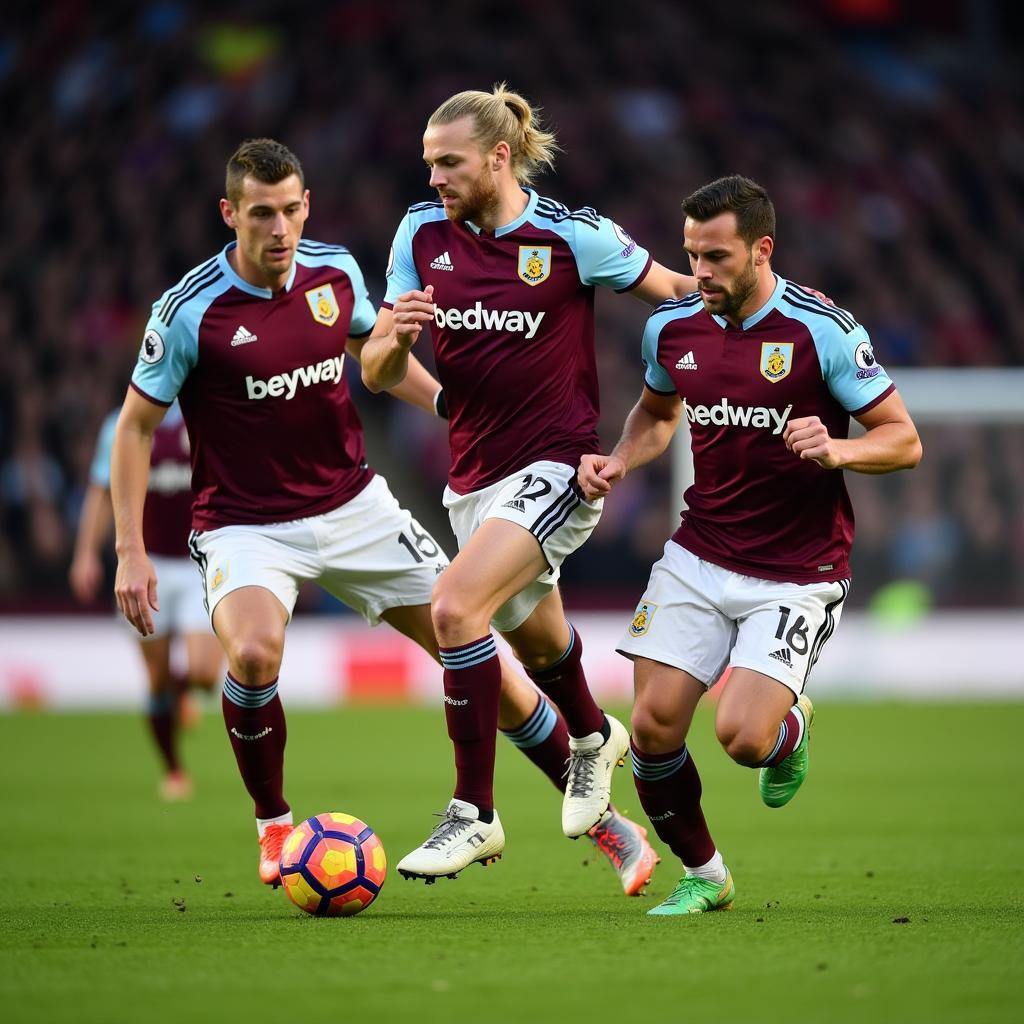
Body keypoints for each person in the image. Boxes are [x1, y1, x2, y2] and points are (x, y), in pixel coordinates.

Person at [111, 137, 653, 897]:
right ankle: (273, 821)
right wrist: (129, 549)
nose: (279, 229)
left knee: (487, 662)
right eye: (261, 213)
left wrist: (442, 403)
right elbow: (136, 426)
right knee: (257, 653)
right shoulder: (190, 309)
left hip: (356, 506)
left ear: (307, 209)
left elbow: (378, 354)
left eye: (291, 210)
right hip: (245, 525)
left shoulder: (334, 273)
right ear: (229, 213)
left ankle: (605, 823)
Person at [360, 84, 703, 883]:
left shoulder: (570, 235)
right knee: (538, 641)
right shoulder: (420, 232)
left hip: (558, 466)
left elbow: (675, 292)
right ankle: (591, 735)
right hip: (472, 477)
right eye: (428, 164)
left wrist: (759, 305)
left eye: (450, 163)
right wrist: (392, 338)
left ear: (499, 157)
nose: (435, 178)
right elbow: (376, 370)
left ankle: (472, 813)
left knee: (454, 607)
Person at [577, 174, 922, 915]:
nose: (700, 272)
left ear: (762, 250)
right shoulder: (672, 327)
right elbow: (656, 414)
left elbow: (904, 440)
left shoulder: (820, 330)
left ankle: (789, 728)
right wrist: (620, 458)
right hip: (700, 552)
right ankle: (706, 873)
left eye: (718, 257)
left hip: (797, 571)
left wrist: (838, 449)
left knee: (740, 737)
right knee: (652, 726)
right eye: (693, 255)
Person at [70, 400, 222, 800]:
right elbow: (102, 491)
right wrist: (86, 553)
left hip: (199, 562)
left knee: (206, 673)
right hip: (147, 565)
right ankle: (173, 770)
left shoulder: (210, 408)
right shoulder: (121, 424)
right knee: (156, 680)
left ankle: (185, 691)